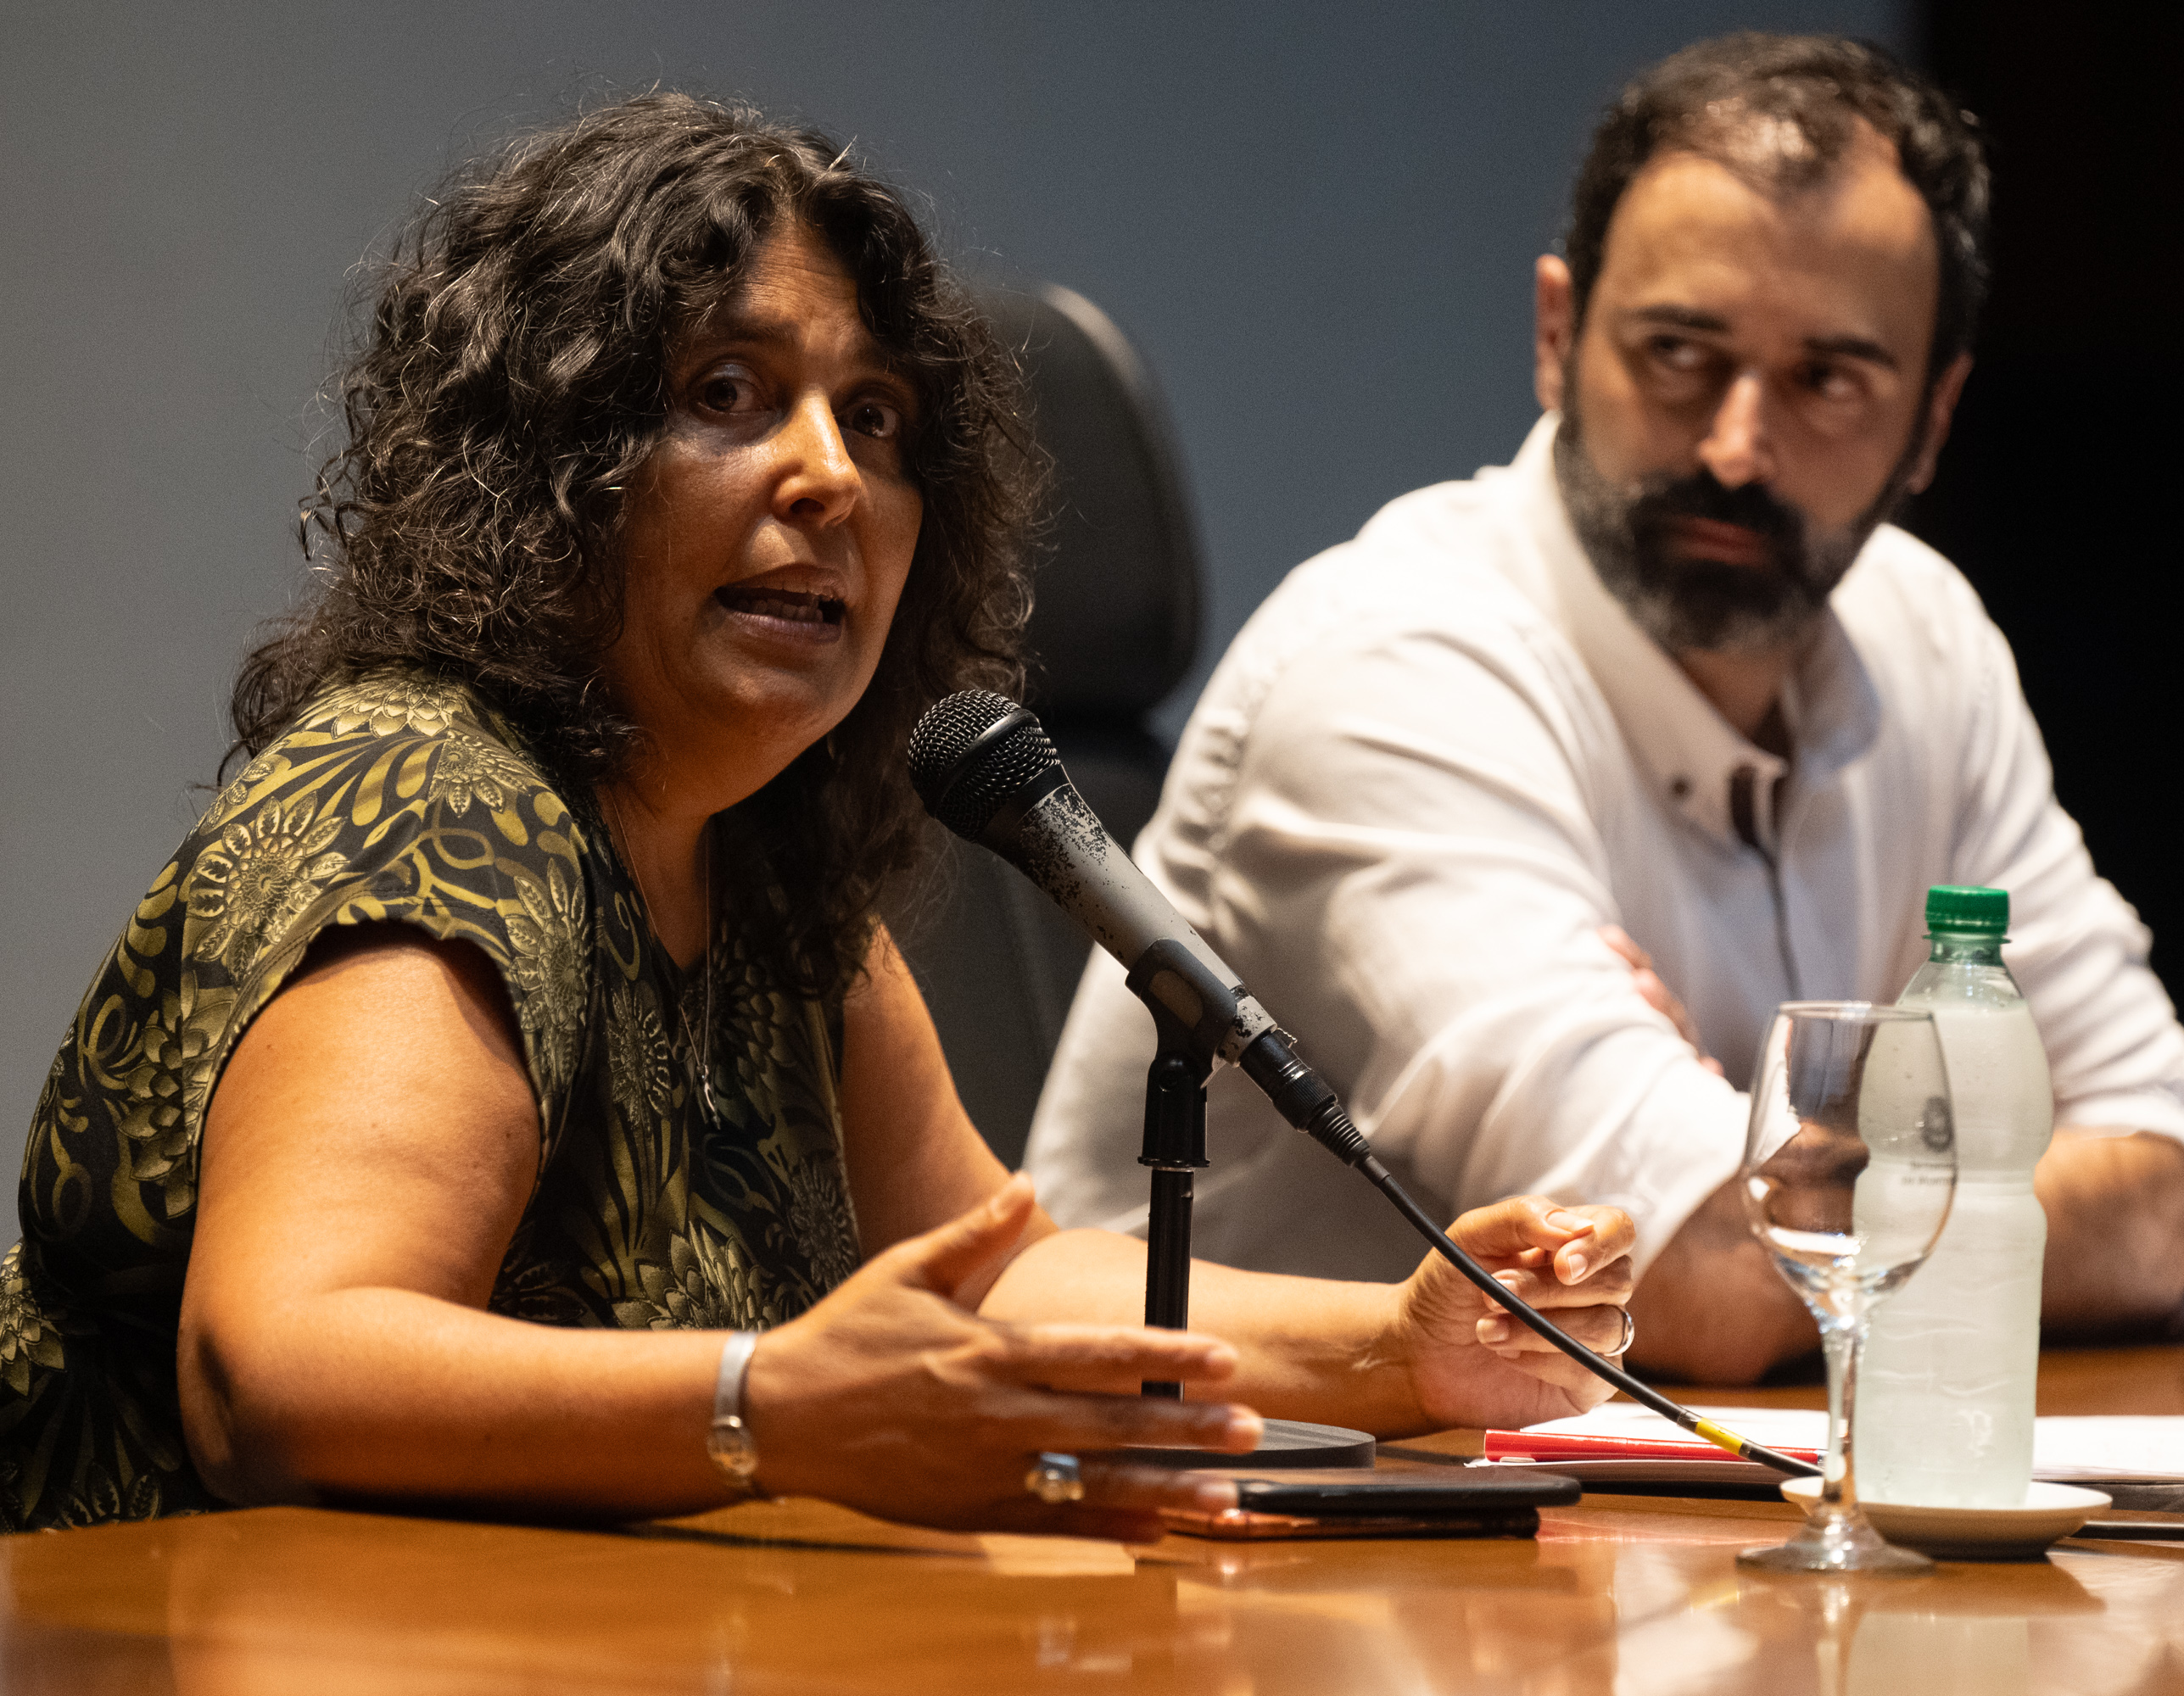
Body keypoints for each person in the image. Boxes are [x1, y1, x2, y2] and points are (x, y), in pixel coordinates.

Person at [0, 94, 1641, 1537]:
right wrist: (770, 1409)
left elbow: (985, 1274)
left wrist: (1401, 1349)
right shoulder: (425, 803)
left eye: (875, 420)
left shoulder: (770, 870)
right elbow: (276, 1363)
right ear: (551, 467)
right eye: (729, 392)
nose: (832, 479)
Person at [1026, 35, 2184, 1383]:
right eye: (1678, 353)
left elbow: (2158, 1199)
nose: (1735, 447)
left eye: (1828, 378)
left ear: (1934, 417)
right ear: (1558, 335)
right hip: (1263, 1535)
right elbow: (1702, 1282)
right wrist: (1958, 1162)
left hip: (1651, 1534)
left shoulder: (1925, 634)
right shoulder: (1390, 667)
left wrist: (1793, 1174)